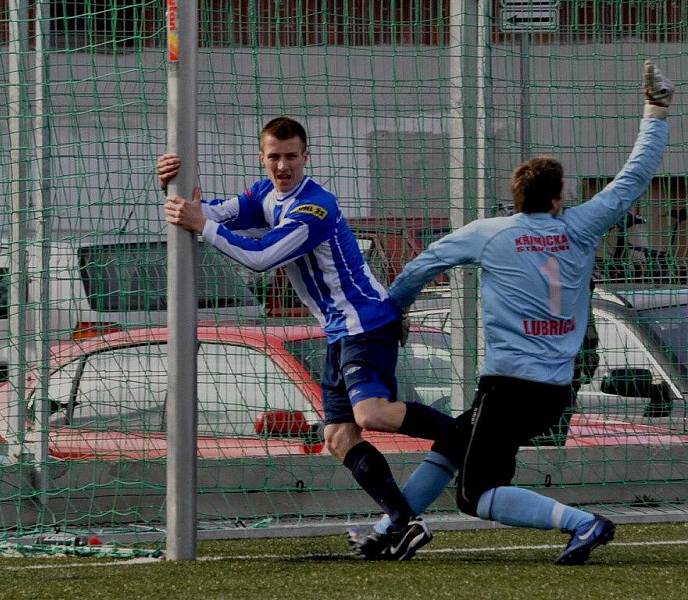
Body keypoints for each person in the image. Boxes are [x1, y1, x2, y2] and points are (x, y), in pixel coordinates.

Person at [363, 60, 674, 565]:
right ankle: (385, 530)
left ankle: (583, 523)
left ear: (517, 197)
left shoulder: (490, 232)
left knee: (474, 494)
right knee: (453, 442)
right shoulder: (580, 227)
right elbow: (634, 177)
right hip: (556, 387)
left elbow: (422, 264)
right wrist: (655, 113)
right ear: (556, 199)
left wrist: (393, 310)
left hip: (508, 387)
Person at [157, 116, 456, 560]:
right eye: (274, 157)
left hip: (368, 322)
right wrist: (173, 189)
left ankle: (464, 436)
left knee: (371, 414)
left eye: (291, 156)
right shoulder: (264, 194)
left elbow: (260, 257)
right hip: (338, 331)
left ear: (306, 156)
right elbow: (212, 212)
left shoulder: (314, 208)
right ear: (263, 159)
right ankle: (405, 522)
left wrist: (202, 223)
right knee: (337, 437)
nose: (283, 165)